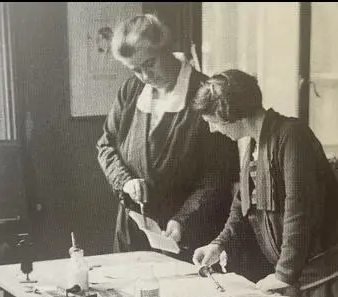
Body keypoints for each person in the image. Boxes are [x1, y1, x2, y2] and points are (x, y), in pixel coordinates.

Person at [192, 69, 338, 297]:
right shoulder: (250, 145)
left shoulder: (293, 136)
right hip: (302, 279)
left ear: (230, 114)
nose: (213, 129)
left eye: (213, 121)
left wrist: (283, 275)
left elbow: (299, 210)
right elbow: (242, 203)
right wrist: (219, 243)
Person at [96, 14, 238, 261]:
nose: (145, 76)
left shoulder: (204, 93)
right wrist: (125, 181)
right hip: (134, 232)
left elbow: (219, 175)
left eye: (149, 63)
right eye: (135, 69)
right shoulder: (131, 91)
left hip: (187, 234)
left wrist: (184, 219)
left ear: (165, 48)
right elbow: (106, 145)